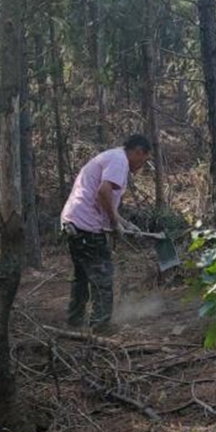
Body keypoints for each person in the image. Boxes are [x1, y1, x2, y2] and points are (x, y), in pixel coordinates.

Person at [60, 134, 153, 332]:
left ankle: (74, 320)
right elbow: (103, 192)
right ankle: (100, 325)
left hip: (74, 222)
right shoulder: (120, 161)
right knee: (103, 276)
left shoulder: (113, 157)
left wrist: (125, 223)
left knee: (82, 276)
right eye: (143, 160)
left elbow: (106, 200)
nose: (141, 165)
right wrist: (113, 223)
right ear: (138, 152)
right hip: (86, 227)